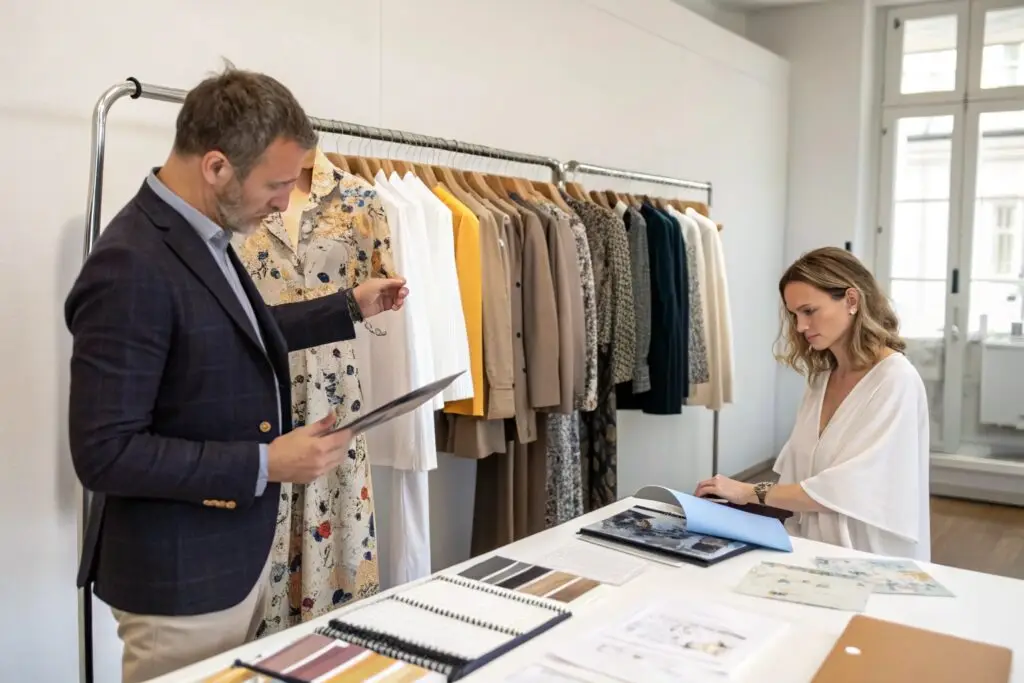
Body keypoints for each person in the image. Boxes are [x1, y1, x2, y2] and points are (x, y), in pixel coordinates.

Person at [65, 68, 408, 683]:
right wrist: (266, 463)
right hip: (178, 582)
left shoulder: (204, 236)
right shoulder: (130, 264)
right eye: (276, 184)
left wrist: (350, 305)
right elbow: (104, 453)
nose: (284, 201)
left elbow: (237, 332)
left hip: (232, 560)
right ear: (217, 167)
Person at [695, 247, 930, 561]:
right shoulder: (821, 380)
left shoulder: (895, 380)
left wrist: (746, 491)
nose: (801, 326)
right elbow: (799, 473)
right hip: (807, 549)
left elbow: (848, 489)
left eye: (809, 311)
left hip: (869, 557)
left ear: (851, 300)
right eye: (794, 315)